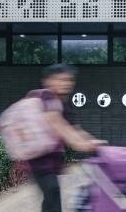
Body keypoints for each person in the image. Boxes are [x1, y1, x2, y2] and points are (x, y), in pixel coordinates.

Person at [28, 64, 104, 212]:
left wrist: (94, 142)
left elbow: (76, 129)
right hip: (38, 160)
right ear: (47, 81)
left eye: (69, 80)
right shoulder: (45, 98)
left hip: (49, 162)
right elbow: (59, 125)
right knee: (53, 193)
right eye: (60, 80)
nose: (66, 84)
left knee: (51, 197)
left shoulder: (64, 104)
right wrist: (81, 144)